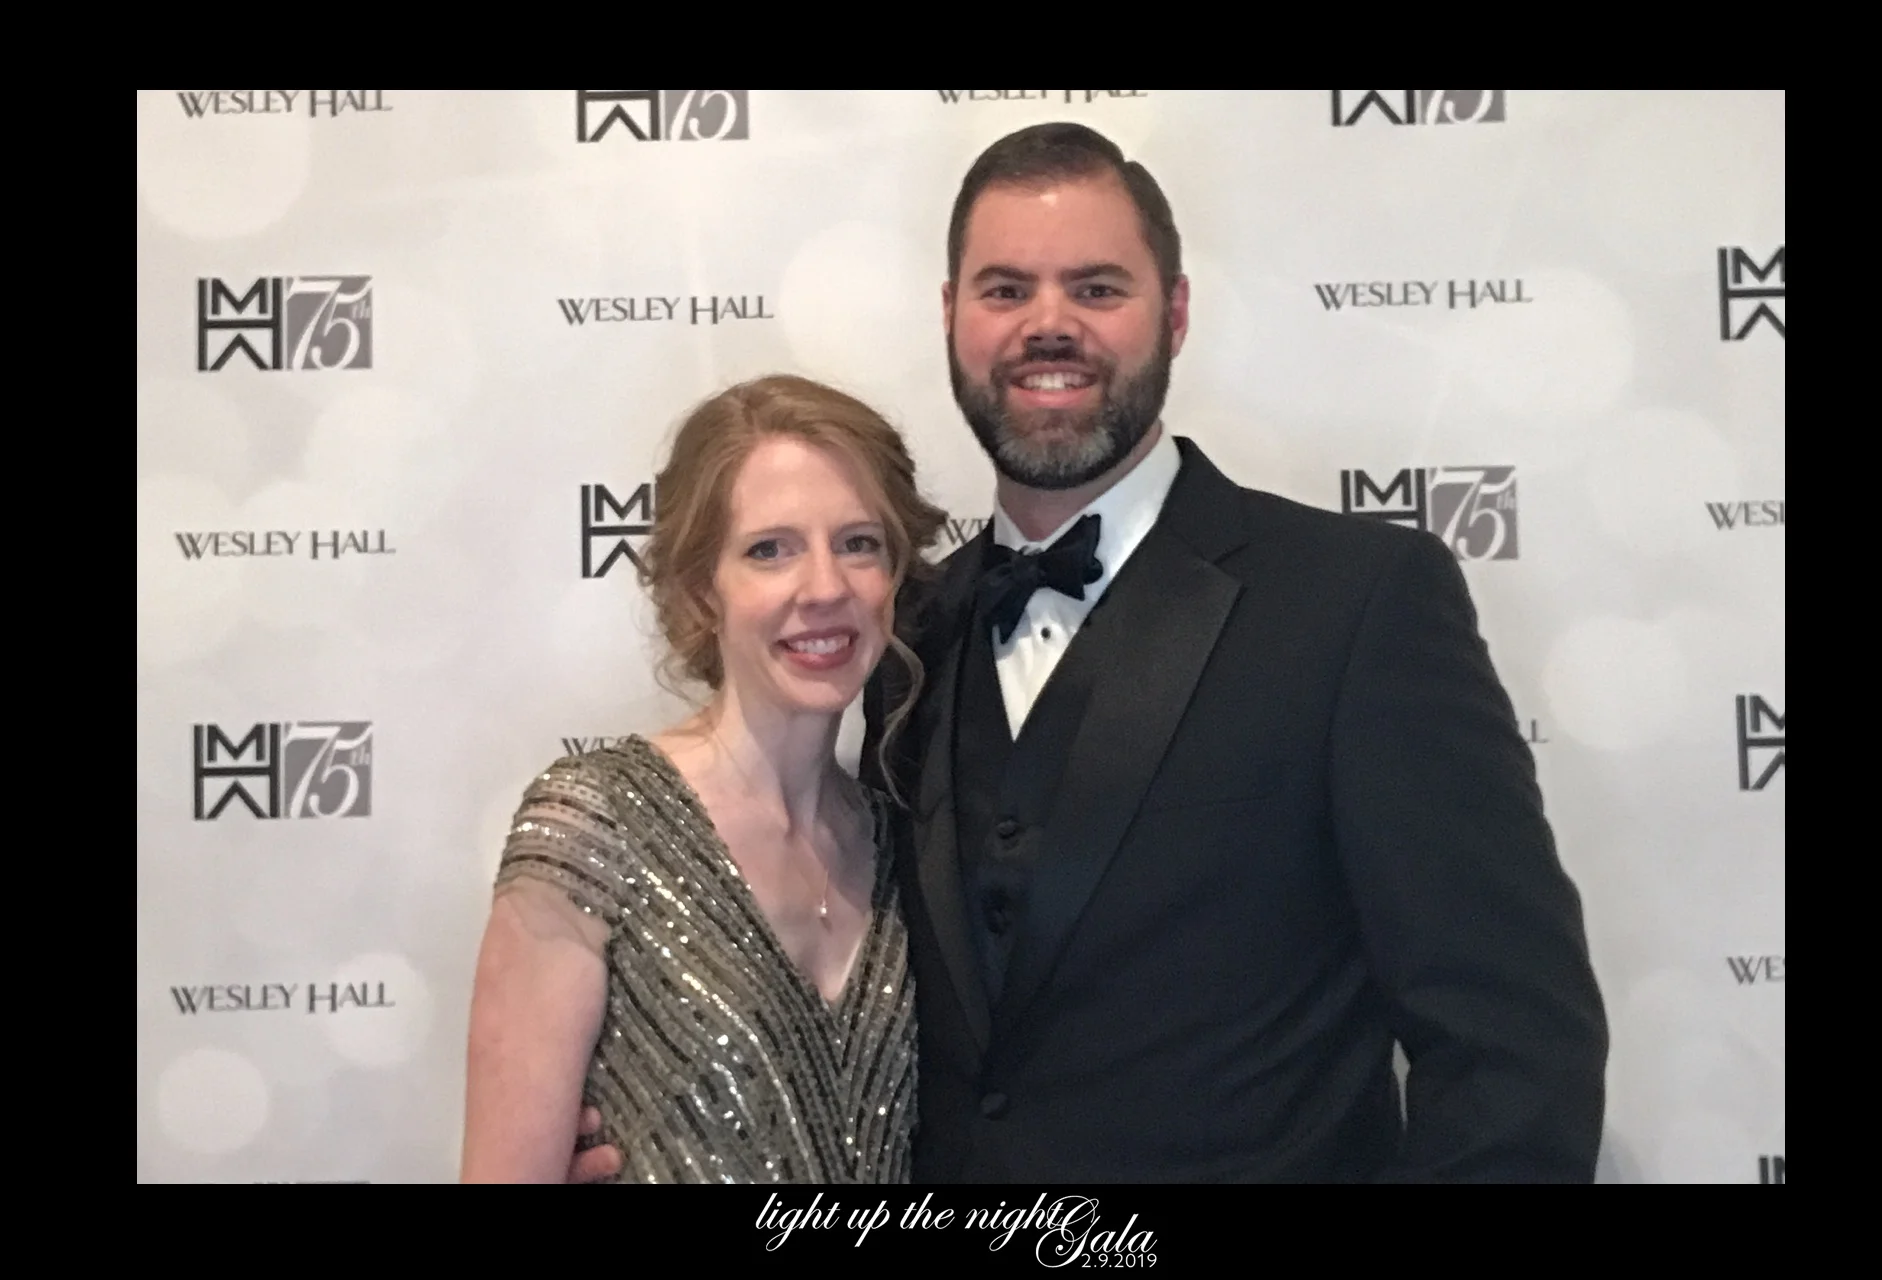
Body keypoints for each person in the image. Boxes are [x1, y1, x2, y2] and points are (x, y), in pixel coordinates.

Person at [575, 122, 1610, 1184]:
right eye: (1006, 289)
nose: (1048, 324)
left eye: (1098, 288)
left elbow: (1513, 1050)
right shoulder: (899, 635)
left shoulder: (1357, 602)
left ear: (1176, 312)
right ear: (951, 316)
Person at [461, 374, 946, 1184]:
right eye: (770, 550)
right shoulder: (592, 826)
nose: (825, 587)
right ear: (701, 589)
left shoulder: (903, 842)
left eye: (859, 543)